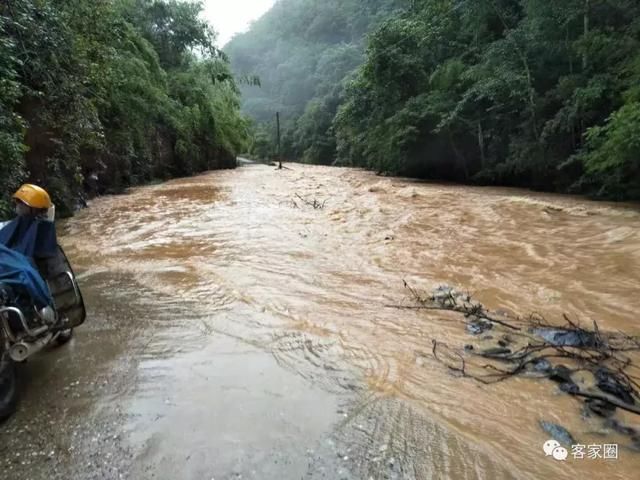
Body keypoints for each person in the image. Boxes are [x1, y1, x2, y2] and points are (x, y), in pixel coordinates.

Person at [0, 184, 58, 260]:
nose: (17, 203)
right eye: (17, 200)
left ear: (34, 208)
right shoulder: (17, 223)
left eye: (20, 201)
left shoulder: (42, 228)